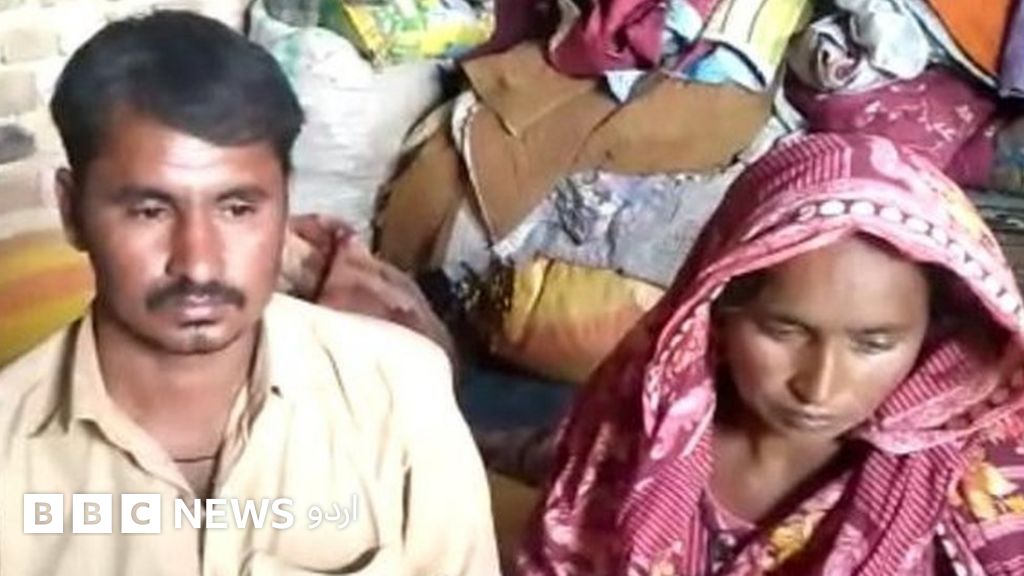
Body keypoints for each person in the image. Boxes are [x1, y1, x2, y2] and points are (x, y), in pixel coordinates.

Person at [0, 11, 498, 576]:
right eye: (149, 211)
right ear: (72, 212)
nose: (198, 262)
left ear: (286, 202)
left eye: (237, 209)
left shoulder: (400, 394)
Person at [519, 134, 1024, 574]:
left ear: (934, 331)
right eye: (783, 330)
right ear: (717, 309)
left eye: (873, 344)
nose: (819, 387)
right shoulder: (640, 415)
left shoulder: (979, 472)